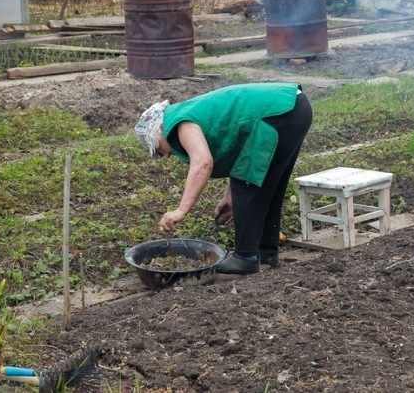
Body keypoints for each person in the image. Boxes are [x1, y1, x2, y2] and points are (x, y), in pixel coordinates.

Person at [134, 82, 313, 275]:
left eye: (159, 150)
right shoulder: (187, 112)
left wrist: (181, 210)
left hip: (278, 113)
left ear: (159, 130)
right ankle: (266, 251)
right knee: (268, 184)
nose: (165, 155)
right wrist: (230, 196)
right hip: (293, 107)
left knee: (247, 183)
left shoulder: (180, 124)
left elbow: (203, 163)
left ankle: (245, 258)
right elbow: (238, 146)